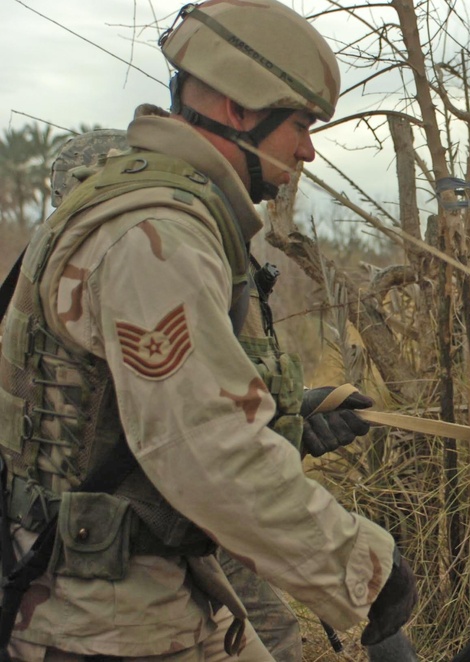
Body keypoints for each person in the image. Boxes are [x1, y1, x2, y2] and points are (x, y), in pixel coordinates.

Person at [0, 1, 417, 660]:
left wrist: (285, 419)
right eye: (301, 124)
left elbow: (138, 409)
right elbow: (206, 453)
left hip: (138, 584)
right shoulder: (156, 236)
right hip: (103, 618)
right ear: (240, 111)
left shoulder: (147, 206)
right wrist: (366, 569)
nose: (308, 149)